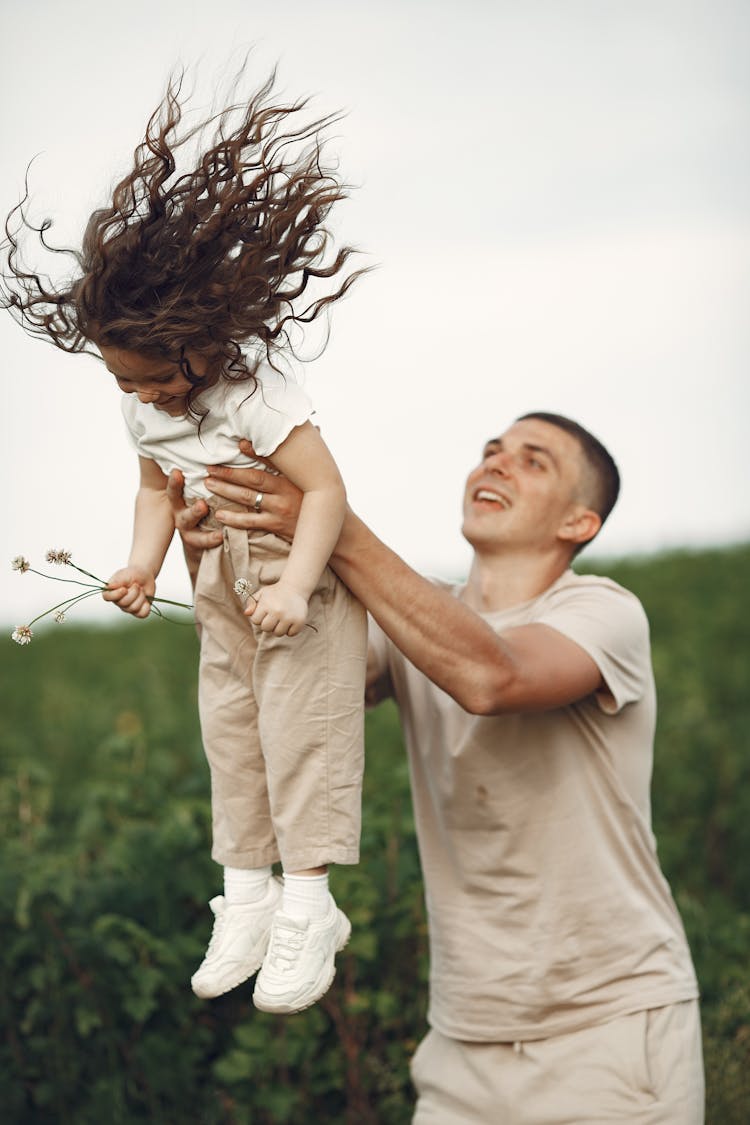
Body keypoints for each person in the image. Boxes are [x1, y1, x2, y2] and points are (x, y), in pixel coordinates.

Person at [169, 412, 704, 1123]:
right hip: (460, 1042)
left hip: (608, 1033)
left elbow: (493, 677)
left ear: (580, 522)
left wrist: (330, 517)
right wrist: (214, 559)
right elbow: (276, 692)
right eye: (491, 451)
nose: (497, 464)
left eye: (533, 460)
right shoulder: (418, 619)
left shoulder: (604, 612)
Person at [1, 67, 367, 1015]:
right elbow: (155, 494)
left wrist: (296, 587)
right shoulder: (144, 412)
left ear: (197, 336)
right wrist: (139, 564)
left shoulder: (256, 394)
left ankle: (311, 905)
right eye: (125, 382)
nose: (143, 396)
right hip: (216, 581)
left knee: (301, 735)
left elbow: (326, 491)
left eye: (154, 378)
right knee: (232, 738)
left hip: (295, 577)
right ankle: (246, 898)